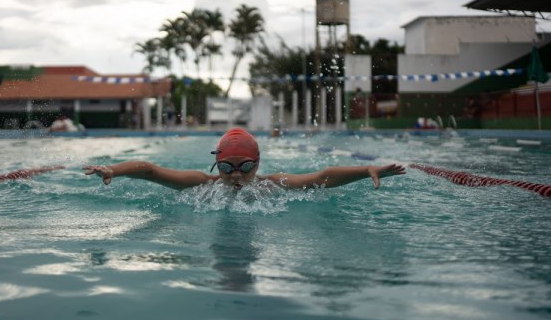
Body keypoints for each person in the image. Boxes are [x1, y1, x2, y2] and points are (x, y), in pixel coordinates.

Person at [84, 127, 405, 191]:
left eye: (246, 167)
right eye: (226, 168)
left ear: (258, 164)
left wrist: (366, 169)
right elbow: (151, 169)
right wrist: (113, 169)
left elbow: (321, 177)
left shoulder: (273, 184)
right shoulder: (202, 184)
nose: (236, 176)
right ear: (216, 165)